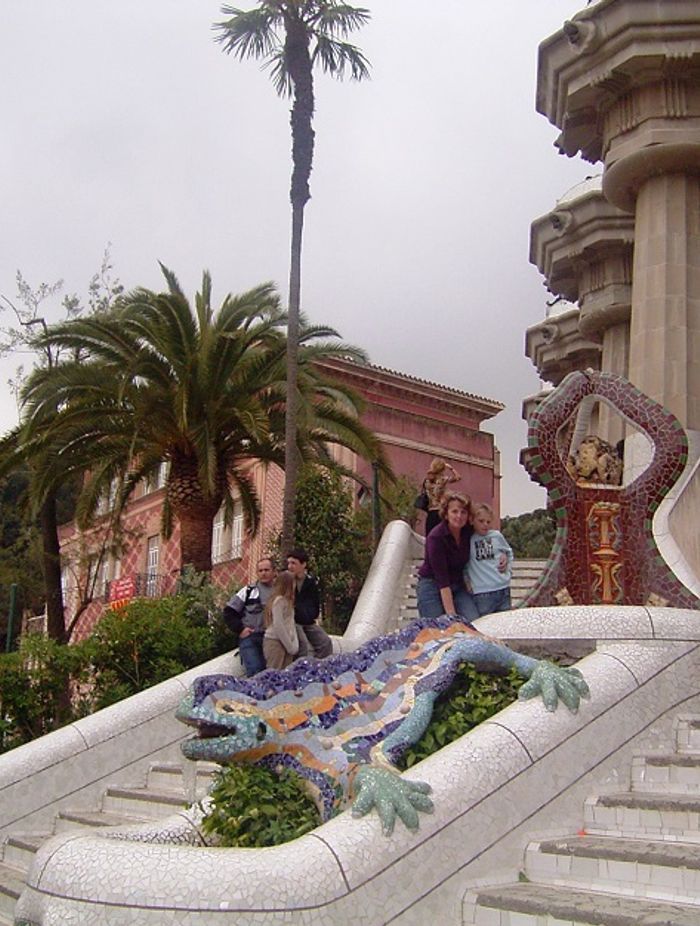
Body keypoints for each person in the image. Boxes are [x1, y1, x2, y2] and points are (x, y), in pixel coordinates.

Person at [416, 492, 478, 622]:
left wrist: (503, 555)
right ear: (446, 514)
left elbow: (487, 536)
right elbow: (442, 578)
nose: (459, 516)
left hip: (457, 584)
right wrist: (451, 616)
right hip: (432, 584)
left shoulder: (468, 532)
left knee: (473, 621)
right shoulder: (436, 537)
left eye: (463, 512)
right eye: (454, 512)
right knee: (437, 628)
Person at [222, 557, 276, 677]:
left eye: (267, 570)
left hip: (273, 639)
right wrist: (240, 629)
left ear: (274, 571)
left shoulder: (280, 592)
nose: (263, 573)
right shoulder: (248, 591)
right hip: (251, 638)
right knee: (255, 672)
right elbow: (228, 612)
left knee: (273, 673)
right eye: (260, 571)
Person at [465, 503, 514, 616]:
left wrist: (508, 568)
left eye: (488, 522)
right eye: (481, 521)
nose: (485, 525)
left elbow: (509, 552)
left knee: (504, 626)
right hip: (482, 592)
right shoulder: (468, 539)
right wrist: (466, 581)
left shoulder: (496, 536)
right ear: (472, 520)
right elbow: (464, 564)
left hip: (503, 588)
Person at [286, 547, 333, 659]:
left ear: (303, 565)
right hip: (292, 621)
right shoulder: (285, 581)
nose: (290, 567)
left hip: (307, 621)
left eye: (294, 563)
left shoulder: (311, 582)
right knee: (302, 645)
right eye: (289, 563)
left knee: (325, 642)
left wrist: (308, 616)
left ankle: (317, 669)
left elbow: (315, 605)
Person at [262, 570, 300, 669]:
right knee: (275, 672)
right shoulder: (279, 601)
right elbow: (278, 625)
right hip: (275, 641)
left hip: (286, 642)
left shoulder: (289, 601)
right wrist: (290, 646)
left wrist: (294, 642)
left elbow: (291, 624)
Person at [423, 458, 460, 534]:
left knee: (430, 536)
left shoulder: (427, 480)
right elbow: (458, 477)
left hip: (430, 512)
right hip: (439, 511)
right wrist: (451, 468)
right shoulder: (442, 480)